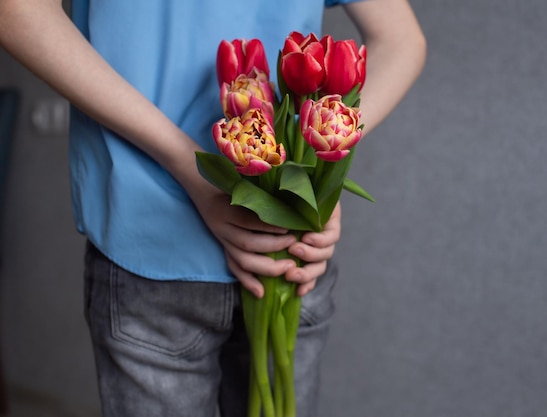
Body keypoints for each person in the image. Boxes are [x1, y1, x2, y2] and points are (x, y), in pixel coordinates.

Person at [0, 0, 426, 416]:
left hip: (187, 248)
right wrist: (309, 176)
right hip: (247, 252)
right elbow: (402, 40)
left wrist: (321, 166)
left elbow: (16, 11)